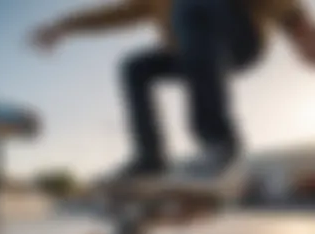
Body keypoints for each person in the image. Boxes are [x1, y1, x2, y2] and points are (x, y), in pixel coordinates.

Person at [31, 0, 315, 180]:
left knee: (191, 5)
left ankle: (219, 141)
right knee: (135, 67)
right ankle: (150, 158)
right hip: (195, 55)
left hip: (240, 38)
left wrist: (299, 29)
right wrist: (63, 26)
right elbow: (113, 14)